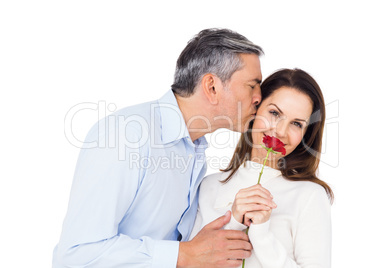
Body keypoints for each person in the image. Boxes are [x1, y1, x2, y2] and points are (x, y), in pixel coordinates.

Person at [53, 28, 264, 267]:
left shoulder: (194, 150)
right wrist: (183, 254)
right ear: (212, 87)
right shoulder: (126, 135)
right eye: (252, 85)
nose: (259, 97)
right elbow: (77, 254)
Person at [190, 68, 334, 267]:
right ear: (255, 109)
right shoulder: (208, 186)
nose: (280, 131)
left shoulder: (310, 196)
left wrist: (262, 234)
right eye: (274, 113)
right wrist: (235, 223)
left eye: (297, 124)